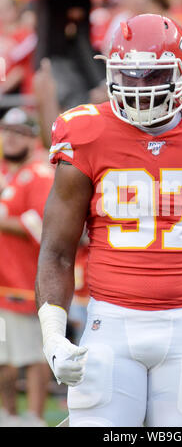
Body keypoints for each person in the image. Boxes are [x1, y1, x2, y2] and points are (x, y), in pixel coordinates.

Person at [36, 14, 182, 428]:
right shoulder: (86, 132)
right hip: (109, 322)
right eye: (127, 74)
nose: (139, 87)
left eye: (152, 75)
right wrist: (53, 336)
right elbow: (57, 251)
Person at [0, 107, 54, 427]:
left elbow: (45, 226)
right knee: (4, 356)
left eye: (19, 132)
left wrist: (5, 222)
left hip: (24, 281)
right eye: (6, 130)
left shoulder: (39, 173)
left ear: (32, 138)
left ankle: (34, 417)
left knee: (32, 355)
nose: (10, 137)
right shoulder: (6, 173)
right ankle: (9, 414)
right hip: (1, 284)